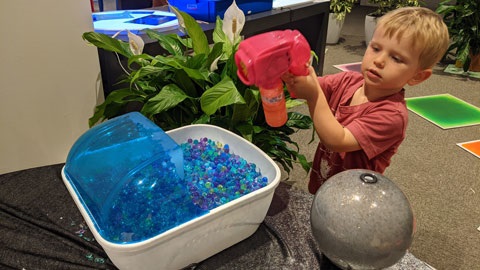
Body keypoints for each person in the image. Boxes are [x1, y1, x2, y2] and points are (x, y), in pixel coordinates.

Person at [281, 7, 450, 194]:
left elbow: (337, 140)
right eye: (376, 48)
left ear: (417, 76)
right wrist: (292, 73)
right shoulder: (348, 81)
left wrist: (313, 95)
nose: (379, 60)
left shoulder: (392, 116)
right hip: (323, 185)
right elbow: (308, 86)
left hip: (355, 197)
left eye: (396, 58)